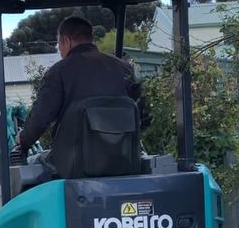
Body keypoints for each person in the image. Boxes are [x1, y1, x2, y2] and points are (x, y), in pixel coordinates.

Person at [14, 16, 148, 163]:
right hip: (124, 158)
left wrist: (23, 139)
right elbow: (144, 114)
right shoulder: (124, 68)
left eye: (59, 46)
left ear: (66, 41)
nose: (60, 51)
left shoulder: (58, 73)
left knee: (32, 163)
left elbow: (40, 119)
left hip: (75, 163)